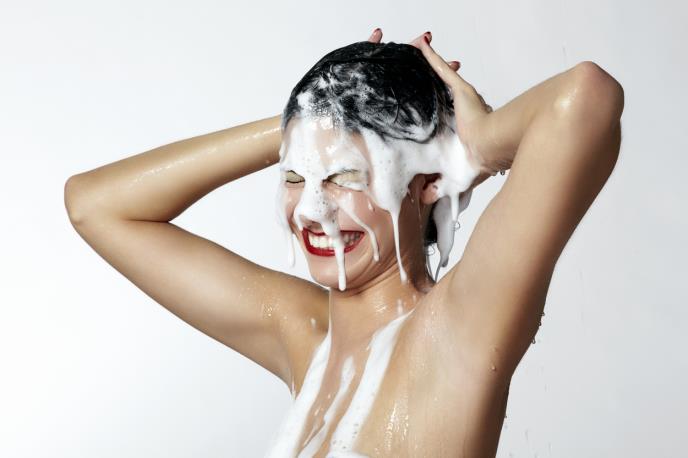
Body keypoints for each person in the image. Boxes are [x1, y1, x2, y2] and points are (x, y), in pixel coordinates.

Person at [64, 28, 624, 457]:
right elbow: (95, 205)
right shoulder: (305, 336)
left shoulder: (455, 331)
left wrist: (474, 145)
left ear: (427, 179)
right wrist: (308, 116)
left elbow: (585, 99)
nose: (311, 210)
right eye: (294, 176)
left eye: (344, 177)